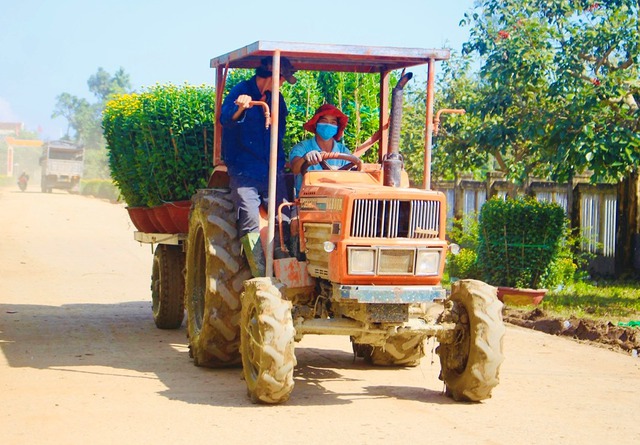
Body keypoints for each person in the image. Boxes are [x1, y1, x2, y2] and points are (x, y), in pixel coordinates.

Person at [219, 56, 297, 262]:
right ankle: (259, 271)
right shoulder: (241, 91)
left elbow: (278, 133)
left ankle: (284, 264)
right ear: (271, 74)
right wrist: (241, 107)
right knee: (249, 219)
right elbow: (225, 118)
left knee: (284, 218)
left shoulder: (277, 100)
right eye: (281, 79)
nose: (281, 84)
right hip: (245, 171)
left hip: (272, 170)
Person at [289, 104, 351, 194]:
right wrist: (305, 158)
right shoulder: (302, 147)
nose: (328, 125)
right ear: (315, 124)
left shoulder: (344, 151)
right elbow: (295, 168)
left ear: (337, 127)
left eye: (333, 122)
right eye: (324, 121)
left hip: (337, 199)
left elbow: (352, 176)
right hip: (306, 201)